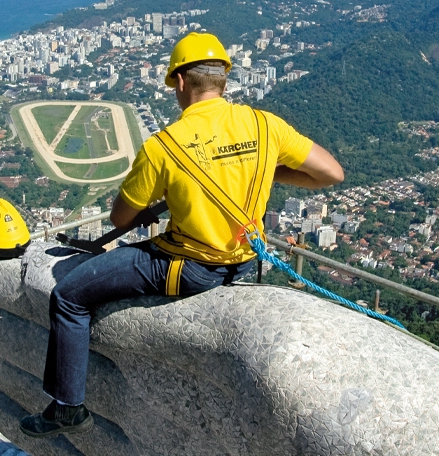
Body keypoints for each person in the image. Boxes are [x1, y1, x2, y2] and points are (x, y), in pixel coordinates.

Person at [20, 31, 345, 438]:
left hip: (191, 267)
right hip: (245, 262)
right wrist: (265, 169)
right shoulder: (264, 125)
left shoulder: (165, 146)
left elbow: (121, 218)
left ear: (179, 82)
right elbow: (331, 173)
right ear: (223, 79)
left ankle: (67, 407)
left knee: (68, 295)